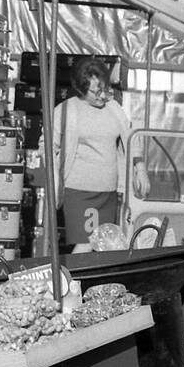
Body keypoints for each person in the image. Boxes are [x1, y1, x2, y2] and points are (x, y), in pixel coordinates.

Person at [51, 58, 130, 250]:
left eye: (105, 89)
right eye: (96, 91)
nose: (103, 96)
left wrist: (140, 167)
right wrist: (54, 179)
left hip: (108, 192)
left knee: (105, 246)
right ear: (81, 89)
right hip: (79, 191)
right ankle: (71, 280)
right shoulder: (66, 110)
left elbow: (131, 137)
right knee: (86, 245)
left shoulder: (114, 108)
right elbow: (48, 146)